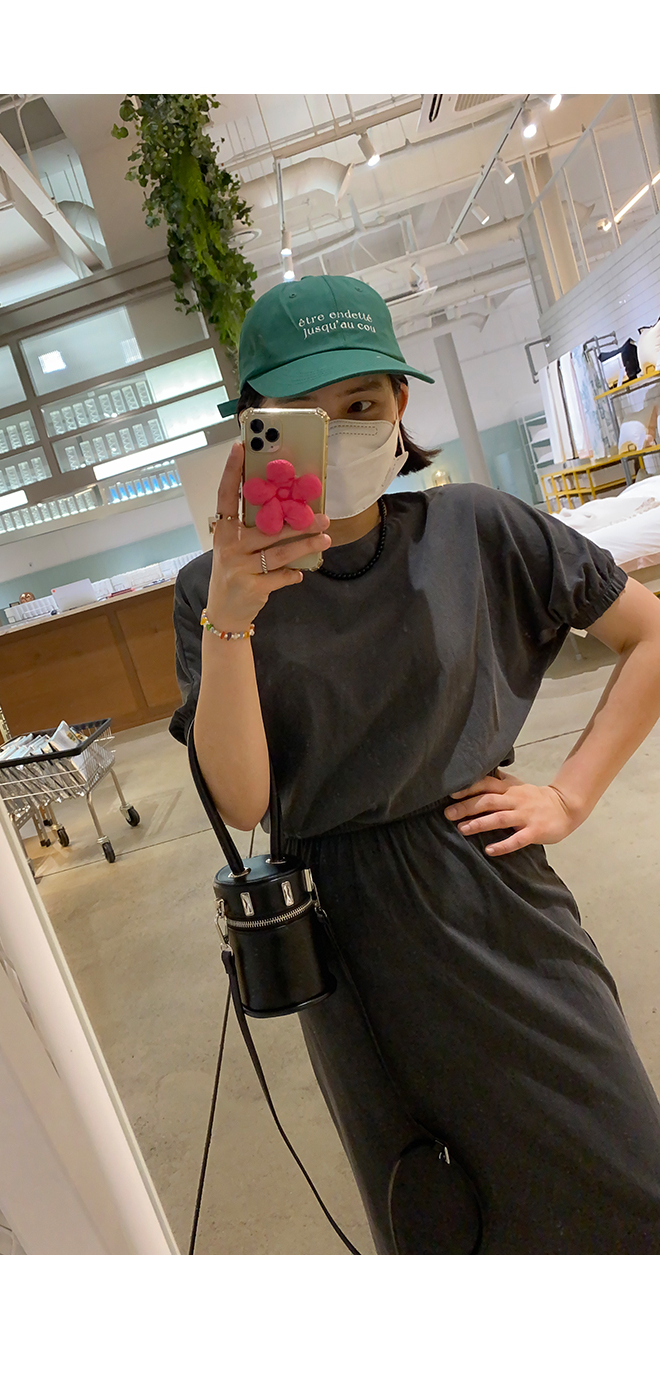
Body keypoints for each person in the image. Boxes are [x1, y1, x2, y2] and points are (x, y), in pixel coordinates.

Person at [170, 274, 660, 1254]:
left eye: (359, 405)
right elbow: (244, 800)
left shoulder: (476, 526)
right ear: (254, 428)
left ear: (400, 401)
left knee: (619, 1168)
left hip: (495, 892)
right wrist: (231, 615)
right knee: (440, 1215)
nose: (337, 433)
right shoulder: (208, 592)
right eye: (300, 415)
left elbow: (649, 635)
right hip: (352, 939)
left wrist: (568, 797)